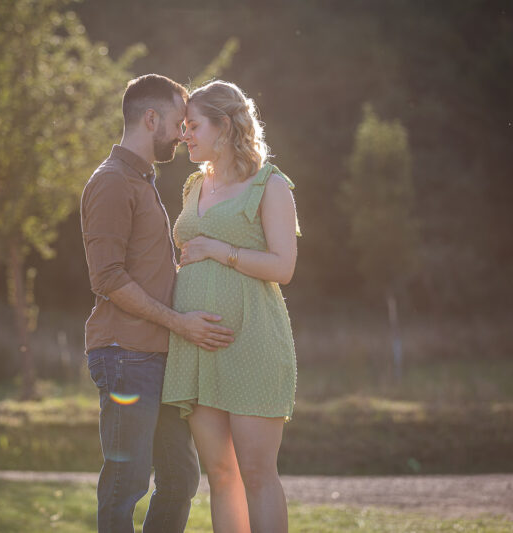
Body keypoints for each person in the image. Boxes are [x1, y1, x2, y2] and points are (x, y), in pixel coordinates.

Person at [80, 74, 236, 533]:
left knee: (180, 477)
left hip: (158, 354)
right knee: (127, 480)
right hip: (125, 354)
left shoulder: (141, 180)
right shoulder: (112, 181)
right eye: (177, 123)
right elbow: (108, 278)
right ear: (151, 119)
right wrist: (179, 322)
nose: (184, 134)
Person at [162, 80, 300, 533]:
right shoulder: (193, 186)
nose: (184, 135)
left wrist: (220, 251)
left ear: (223, 126)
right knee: (221, 476)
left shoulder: (269, 184)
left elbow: (283, 267)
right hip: (198, 347)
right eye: (183, 127)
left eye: (193, 126)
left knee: (257, 474)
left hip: (252, 343)